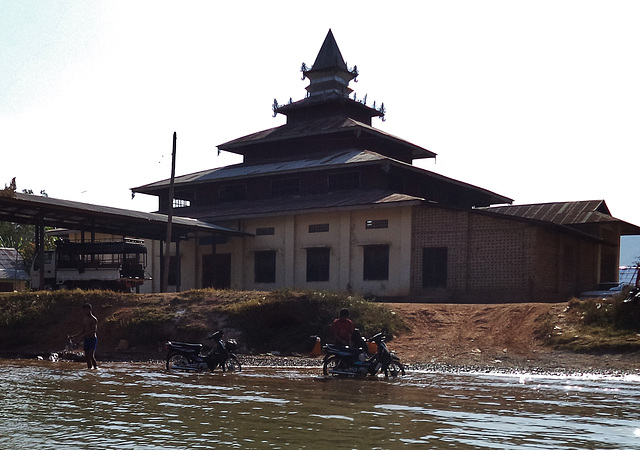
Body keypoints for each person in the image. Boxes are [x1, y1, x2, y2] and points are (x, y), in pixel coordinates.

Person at [69, 303, 98, 369]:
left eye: (87, 310)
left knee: (91, 355)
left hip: (92, 338)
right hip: (86, 339)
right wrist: (74, 336)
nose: (85, 312)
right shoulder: (84, 320)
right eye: (84, 310)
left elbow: (94, 330)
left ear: (90, 310)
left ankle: (96, 368)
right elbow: (83, 331)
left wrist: (83, 336)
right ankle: (89, 369)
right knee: (87, 356)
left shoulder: (94, 319)